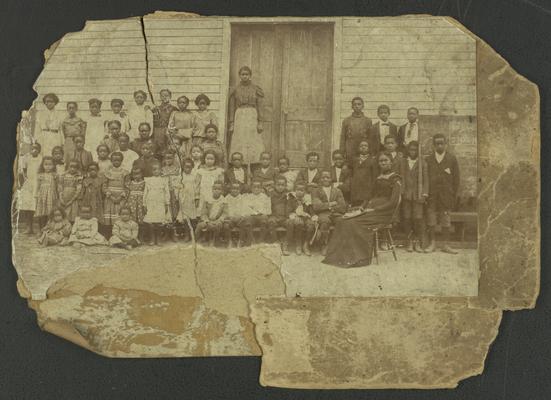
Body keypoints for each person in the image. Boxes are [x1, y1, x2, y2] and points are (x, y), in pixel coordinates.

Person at [323, 152, 402, 267]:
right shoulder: (378, 178)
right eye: (381, 161)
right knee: (343, 220)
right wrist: (362, 207)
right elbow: (369, 196)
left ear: (391, 162)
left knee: (353, 222)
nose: (383, 163)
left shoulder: (396, 179)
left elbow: (393, 202)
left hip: (384, 213)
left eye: (385, 160)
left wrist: (375, 210)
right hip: (371, 210)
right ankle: (340, 256)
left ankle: (359, 257)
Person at [425, 134, 460, 254]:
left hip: (446, 196)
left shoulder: (452, 158)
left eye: (442, 143)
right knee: (431, 219)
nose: (439, 146)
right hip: (432, 195)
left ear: (446, 144)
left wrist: (452, 195)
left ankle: (446, 244)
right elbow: (425, 178)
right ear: (433, 145)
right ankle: (432, 243)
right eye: (437, 144)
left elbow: (456, 179)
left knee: (446, 220)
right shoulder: (428, 159)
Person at [228, 66, 265, 168]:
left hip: (252, 115)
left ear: (250, 76)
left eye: (247, 74)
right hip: (239, 115)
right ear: (239, 76)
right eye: (242, 74)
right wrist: (232, 122)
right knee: (240, 139)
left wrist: (260, 122)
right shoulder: (235, 89)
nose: (245, 76)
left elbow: (260, 106)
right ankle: (240, 163)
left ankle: (253, 164)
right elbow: (232, 107)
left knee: (252, 139)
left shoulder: (255, 89)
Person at [401, 141, 428, 252]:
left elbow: (426, 179)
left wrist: (424, 193)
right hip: (406, 194)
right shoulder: (403, 162)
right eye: (411, 149)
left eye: (415, 150)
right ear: (408, 150)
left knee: (418, 218)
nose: (413, 152)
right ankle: (409, 241)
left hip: (418, 194)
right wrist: (401, 192)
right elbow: (401, 176)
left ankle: (417, 241)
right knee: (407, 218)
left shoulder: (422, 163)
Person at [312, 170, 347, 255]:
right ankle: (324, 245)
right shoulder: (316, 191)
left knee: (342, 221)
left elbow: (342, 206)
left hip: (336, 213)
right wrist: (331, 204)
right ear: (320, 179)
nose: (325, 179)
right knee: (325, 222)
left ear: (331, 179)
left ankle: (339, 245)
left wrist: (328, 207)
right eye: (323, 177)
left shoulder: (337, 191)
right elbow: (316, 206)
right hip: (323, 214)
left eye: (327, 177)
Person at [143, 160, 170, 245]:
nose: (156, 171)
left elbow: (167, 192)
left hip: (160, 203)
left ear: (161, 170)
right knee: (151, 222)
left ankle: (158, 238)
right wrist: (144, 204)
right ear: (151, 171)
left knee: (159, 222)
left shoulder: (164, 180)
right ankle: (152, 238)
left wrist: (167, 203)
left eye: (158, 169)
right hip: (151, 203)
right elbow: (145, 193)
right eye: (154, 170)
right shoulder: (148, 180)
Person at [102, 152, 129, 235]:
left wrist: (121, 197)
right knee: (109, 214)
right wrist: (110, 196)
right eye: (114, 160)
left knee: (118, 215)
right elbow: (104, 186)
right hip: (110, 198)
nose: (116, 162)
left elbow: (127, 186)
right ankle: (109, 234)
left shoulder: (125, 172)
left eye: (118, 160)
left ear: (121, 161)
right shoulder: (107, 172)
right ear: (111, 161)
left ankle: (119, 234)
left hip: (120, 198)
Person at [18, 142, 42, 233]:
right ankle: (29, 227)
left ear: (39, 150)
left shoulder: (41, 158)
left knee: (37, 206)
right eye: (32, 148)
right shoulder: (26, 158)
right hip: (29, 183)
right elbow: (23, 171)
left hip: (38, 183)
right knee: (27, 205)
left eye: (36, 148)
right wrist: (23, 182)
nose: (34, 150)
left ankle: (40, 228)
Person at [266, 176, 294, 255]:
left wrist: (289, 214)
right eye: (278, 185)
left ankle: (286, 244)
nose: (280, 187)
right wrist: (271, 215)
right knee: (271, 222)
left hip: (285, 217)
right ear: (275, 185)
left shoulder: (288, 194)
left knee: (290, 223)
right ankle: (276, 244)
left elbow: (291, 206)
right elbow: (268, 206)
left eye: (283, 185)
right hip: (274, 216)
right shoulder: (271, 194)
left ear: (285, 186)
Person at [195, 181, 227, 246]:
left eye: (219, 189)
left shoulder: (224, 201)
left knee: (218, 225)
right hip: (208, 220)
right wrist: (207, 221)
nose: (216, 191)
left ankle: (215, 241)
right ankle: (196, 242)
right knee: (200, 225)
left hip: (217, 221)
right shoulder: (208, 199)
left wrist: (219, 220)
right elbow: (203, 213)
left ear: (222, 191)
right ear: (212, 190)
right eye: (215, 189)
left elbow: (225, 213)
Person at [339, 97, 372, 161]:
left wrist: (369, 151)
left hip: (363, 150)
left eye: (359, 104)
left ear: (363, 106)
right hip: (350, 150)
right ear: (352, 106)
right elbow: (343, 138)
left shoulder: (368, 121)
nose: (357, 106)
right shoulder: (346, 121)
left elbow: (370, 138)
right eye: (355, 104)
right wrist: (342, 152)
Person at [288, 182, 316, 256]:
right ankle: (298, 244)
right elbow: (289, 210)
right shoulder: (291, 199)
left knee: (311, 225)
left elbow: (311, 210)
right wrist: (294, 215)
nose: (300, 192)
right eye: (298, 190)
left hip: (305, 217)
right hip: (295, 217)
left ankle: (305, 245)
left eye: (302, 190)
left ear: (305, 192)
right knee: (298, 223)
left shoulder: (307, 200)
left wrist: (313, 216)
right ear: (295, 190)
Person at [176, 158, 201, 241]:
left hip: (191, 199)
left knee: (192, 218)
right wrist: (178, 197)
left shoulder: (194, 176)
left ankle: (192, 234)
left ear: (192, 168)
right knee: (185, 218)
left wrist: (197, 198)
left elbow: (197, 188)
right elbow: (177, 187)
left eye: (190, 167)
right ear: (183, 167)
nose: (188, 169)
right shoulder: (180, 176)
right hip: (183, 199)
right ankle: (187, 234)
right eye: (186, 167)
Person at [241, 180, 270, 245]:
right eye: (254, 187)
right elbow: (246, 208)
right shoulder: (248, 197)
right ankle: (251, 239)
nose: (256, 189)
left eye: (258, 187)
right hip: (252, 216)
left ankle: (261, 239)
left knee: (264, 220)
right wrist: (253, 212)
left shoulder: (264, 197)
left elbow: (268, 209)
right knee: (247, 220)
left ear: (261, 188)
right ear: (251, 188)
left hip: (261, 215)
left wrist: (261, 212)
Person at [348, 140, 376, 206]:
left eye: (365, 146)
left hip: (367, 190)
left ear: (369, 148)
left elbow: (374, 176)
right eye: (361, 146)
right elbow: (351, 174)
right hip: (356, 190)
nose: (363, 147)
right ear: (358, 148)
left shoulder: (373, 160)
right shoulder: (354, 160)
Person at [35, 93, 63, 158]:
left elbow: (61, 129)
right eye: (47, 101)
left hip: (55, 136)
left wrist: (62, 142)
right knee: (43, 154)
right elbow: (37, 128)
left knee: (55, 153)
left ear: (55, 102)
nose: (49, 103)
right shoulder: (40, 114)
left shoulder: (59, 114)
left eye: (51, 101)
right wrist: (36, 139)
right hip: (43, 136)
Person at [162, 151, 181, 241]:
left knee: (174, 212)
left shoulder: (177, 169)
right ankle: (166, 233)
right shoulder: (162, 169)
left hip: (173, 193)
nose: (168, 160)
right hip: (165, 193)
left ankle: (174, 232)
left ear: (173, 159)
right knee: (167, 212)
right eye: (166, 158)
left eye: (170, 158)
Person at [80, 163, 105, 234]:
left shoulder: (100, 180)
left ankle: (99, 232)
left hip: (98, 201)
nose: (92, 171)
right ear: (88, 171)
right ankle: (88, 232)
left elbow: (103, 192)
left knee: (98, 215)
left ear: (97, 170)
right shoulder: (85, 180)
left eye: (94, 170)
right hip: (88, 201)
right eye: (90, 170)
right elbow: (82, 191)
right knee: (88, 214)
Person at [34, 156, 59, 229]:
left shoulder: (55, 175)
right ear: (42, 165)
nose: (48, 167)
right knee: (42, 212)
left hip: (51, 195)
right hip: (42, 195)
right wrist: (36, 194)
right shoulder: (40, 175)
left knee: (50, 212)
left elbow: (57, 186)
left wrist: (57, 195)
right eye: (46, 164)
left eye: (50, 164)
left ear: (53, 165)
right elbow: (38, 186)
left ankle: (49, 228)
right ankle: (41, 229)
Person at [151, 89, 178, 154]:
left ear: (170, 96)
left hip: (168, 132)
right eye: (162, 96)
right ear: (160, 97)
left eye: (166, 95)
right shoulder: (155, 109)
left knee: (168, 149)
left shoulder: (174, 109)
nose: (164, 97)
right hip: (158, 131)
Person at [223, 182, 247, 248]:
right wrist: (230, 217)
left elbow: (245, 209)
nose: (235, 190)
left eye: (237, 189)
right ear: (230, 189)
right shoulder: (226, 198)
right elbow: (225, 210)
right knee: (226, 225)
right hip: (230, 218)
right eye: (233, 188)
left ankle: (240, 240)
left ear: (240, 190)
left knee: (244, 223)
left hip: (239, 218)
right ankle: (229, 241)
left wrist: (241, 216)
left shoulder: (242, 198)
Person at [125, 167, 146, 239]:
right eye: (134, 174)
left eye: (138, 174)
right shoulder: (130, 183)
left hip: (140, 204)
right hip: (132, 204)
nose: (136, 176)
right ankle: (133, 237)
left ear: (142, 174)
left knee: (141, 220)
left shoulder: (144, 183)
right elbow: (127, 193)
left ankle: (141, 237)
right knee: (132, 220)